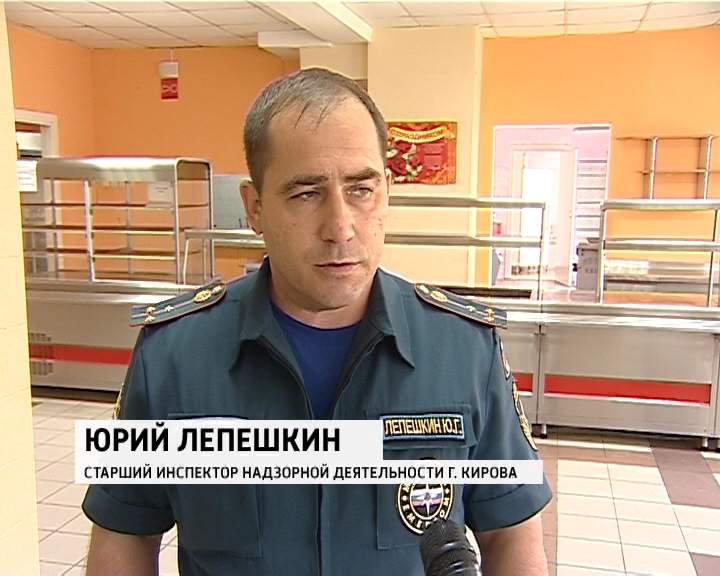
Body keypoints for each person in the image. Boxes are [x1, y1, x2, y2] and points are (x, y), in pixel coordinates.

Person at [83, 67, 552, 576]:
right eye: (306, 193)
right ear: (254, 207)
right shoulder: (171, 357)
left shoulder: (464, 352)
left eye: (361, 189)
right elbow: (125, 535)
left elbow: (512, 536)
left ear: (386, 191)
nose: (340, 228)